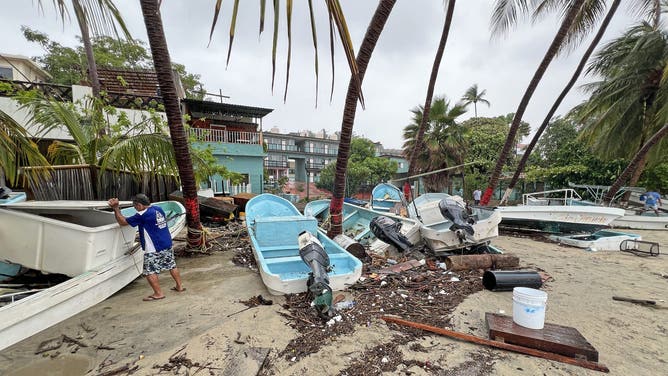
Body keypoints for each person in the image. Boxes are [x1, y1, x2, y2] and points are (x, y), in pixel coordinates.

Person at [108, 194, 185, 301]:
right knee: (171, 265)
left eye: (135, 206)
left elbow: (123, 222)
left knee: (149, 271)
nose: (135, 209)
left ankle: (158, 293)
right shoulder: (158, 209)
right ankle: (179, 286)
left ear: (139, 205)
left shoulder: (142, 215)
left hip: (154, 247)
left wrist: (116, 208)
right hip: (166, 243)